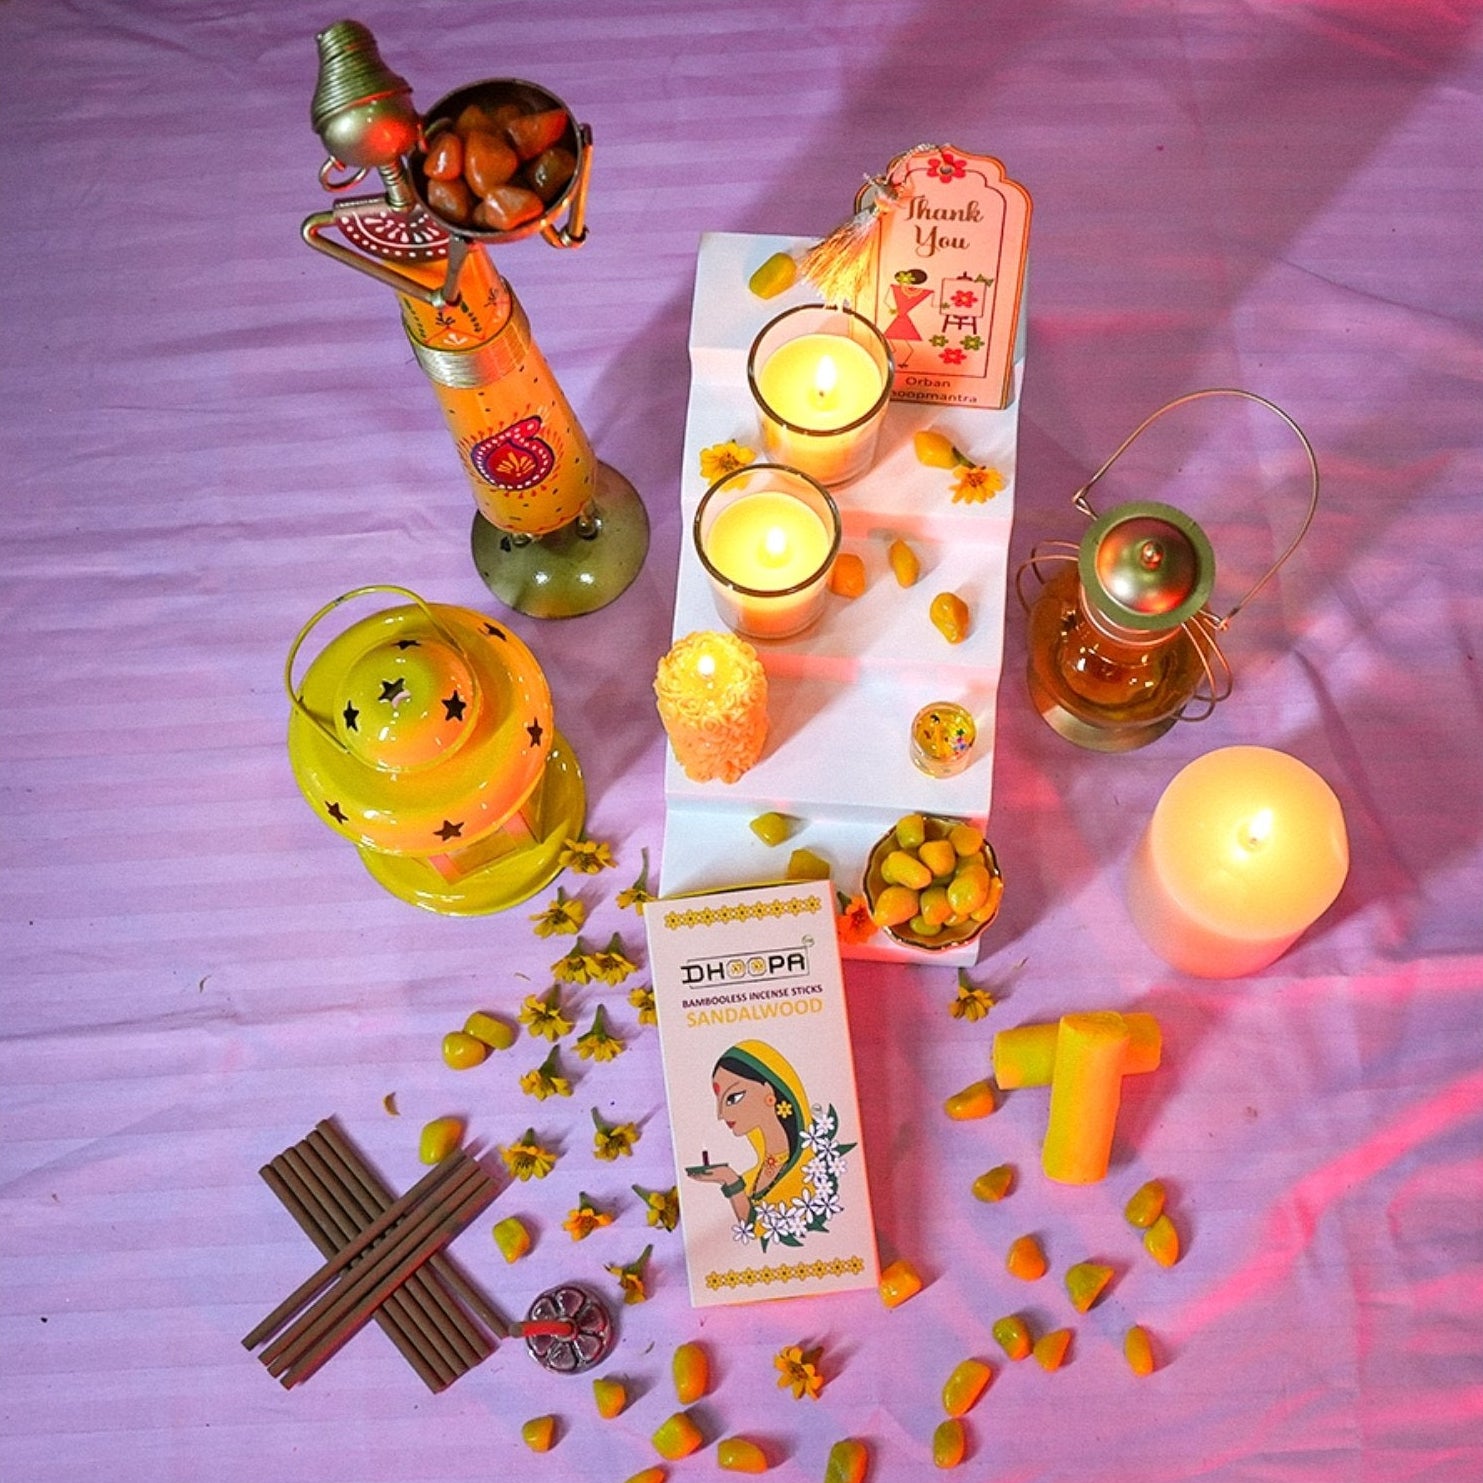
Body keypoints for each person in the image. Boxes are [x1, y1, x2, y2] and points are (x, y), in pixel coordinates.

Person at [688, 1040, 814, 1233]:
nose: (720, 1114)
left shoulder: (813, 1169)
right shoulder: (753, 1177)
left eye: (733, 1098)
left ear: (769, 1091)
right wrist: (730, 1181)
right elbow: (752, 1234)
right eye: (719, 1101)